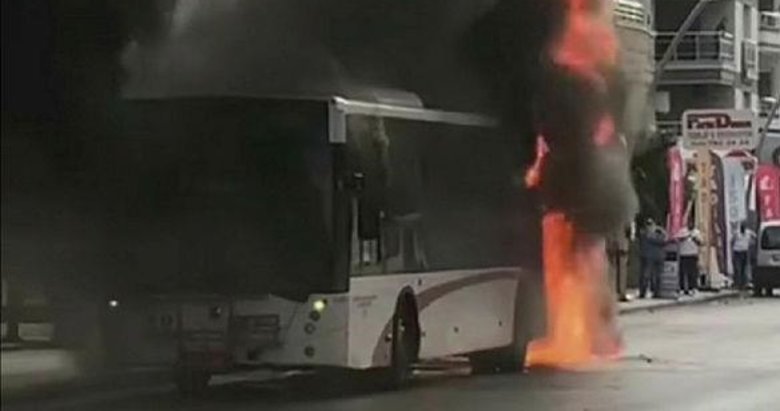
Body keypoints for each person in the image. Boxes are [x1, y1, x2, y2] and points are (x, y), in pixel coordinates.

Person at [639, 218, 667, 298]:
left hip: (656, 257)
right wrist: (661, 232)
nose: (650, 226)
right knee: (647, 275)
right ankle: (644, 292)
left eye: (651, 224)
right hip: (650, 257)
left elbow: (664, 240)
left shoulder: (647, 233)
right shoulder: (646, 234)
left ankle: (655, 292)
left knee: (657, 276)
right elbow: (663, 240)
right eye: (648, 224)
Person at [677, 226, 701, 295]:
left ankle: (692, 288)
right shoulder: (683, 230)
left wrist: (695, 238)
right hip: (683, 254)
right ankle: (682, 288)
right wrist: (685, 237)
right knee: (682, 272)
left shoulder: (696, 232)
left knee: (692, 273)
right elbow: (678, 239)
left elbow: (700, 242)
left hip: (693, 254)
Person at [731, 224, 755, 290]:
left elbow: (755, 237)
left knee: (744, 269)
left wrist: (751, 243)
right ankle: (738, 284)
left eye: (744, 227)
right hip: (737, 252)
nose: (743, 229)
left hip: (745, 252)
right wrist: (732, 250)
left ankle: (744, 284)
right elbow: (732, 241)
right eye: (742, 227)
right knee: (738, 268)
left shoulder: (749, 233)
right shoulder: (736, 233)